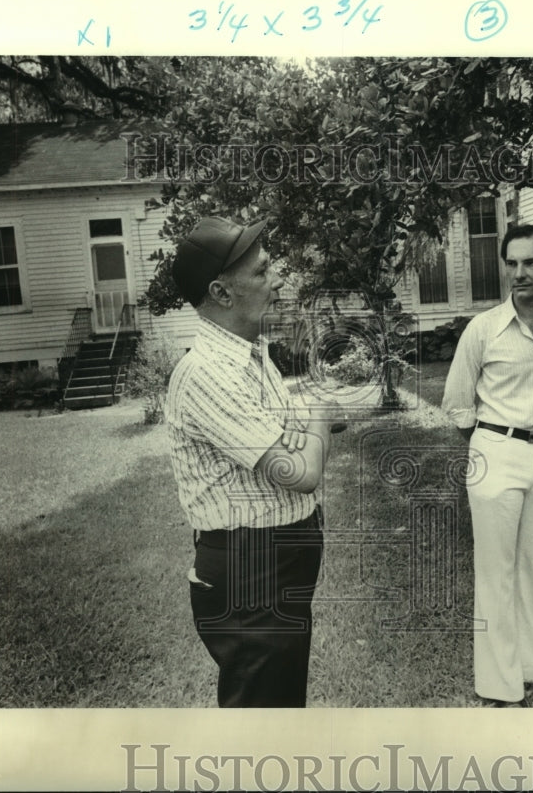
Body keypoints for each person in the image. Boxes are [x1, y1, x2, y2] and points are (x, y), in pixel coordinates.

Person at [164, 215, 338, 707]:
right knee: (261, 723)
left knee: (280, 707)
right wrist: (324, 408)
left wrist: (313, 423)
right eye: (262, 272)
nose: (278, 278)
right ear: (221, 293)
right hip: (250, 571)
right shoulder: (206, 373)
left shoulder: (251, 353)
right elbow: (300, 472)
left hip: (279, 556)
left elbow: (288, 434)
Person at [442, 223, 533, 707]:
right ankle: (499, 684)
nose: (518, 273)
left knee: (531, 567)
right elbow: (458, 403)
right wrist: (491, 443)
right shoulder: (483, 329)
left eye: (529, 263)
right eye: (512, 263)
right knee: (496, 571)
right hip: (495, 454)